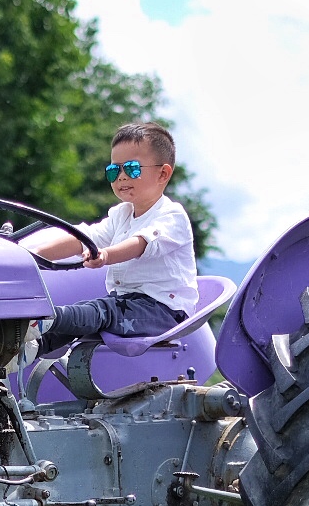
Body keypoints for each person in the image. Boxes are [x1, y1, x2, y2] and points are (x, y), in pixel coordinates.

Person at [28, 121, 199, 355]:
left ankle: (39, 320)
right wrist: (32, 257)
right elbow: (84, 238)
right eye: (113, 170)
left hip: (163, 312)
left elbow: (141, 244)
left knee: (99, 312)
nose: (121, 177)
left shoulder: (171, 215)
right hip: (127, 305)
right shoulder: (122, 214)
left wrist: (106, 255)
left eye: (132, 169)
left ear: (163, 173)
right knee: (88, 314)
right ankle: (27, 349)